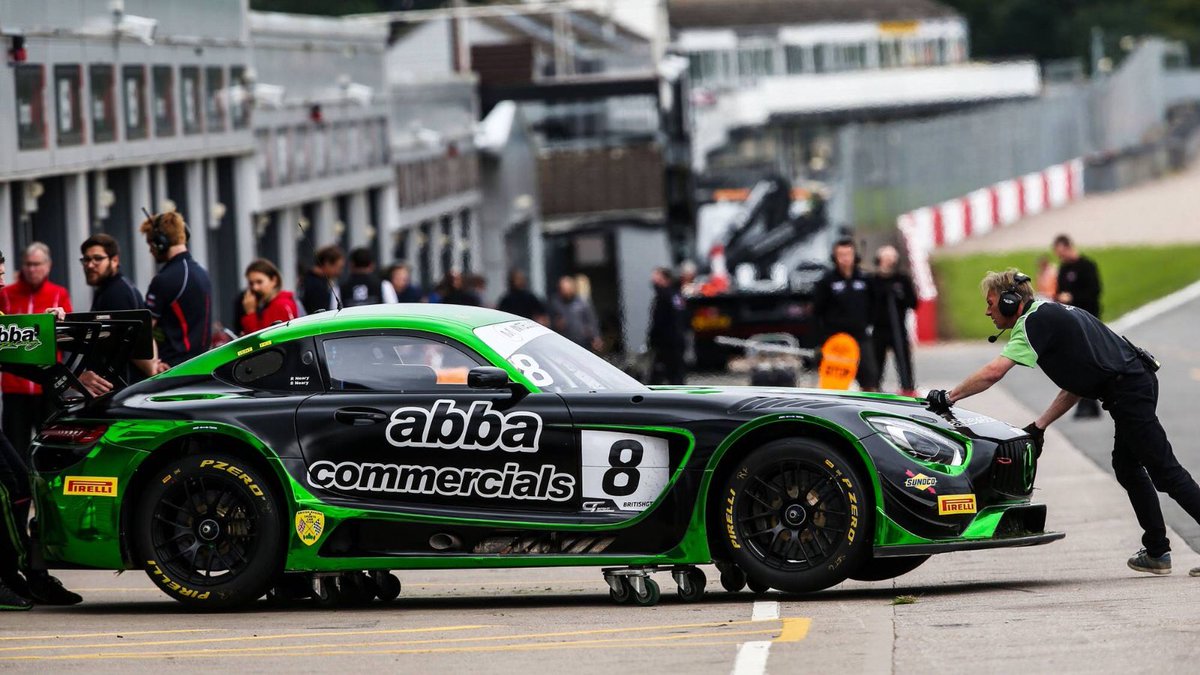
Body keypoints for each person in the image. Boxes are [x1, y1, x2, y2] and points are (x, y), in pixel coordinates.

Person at [926, 269, 1200, 577]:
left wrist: (949, 397)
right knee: (1127, 466)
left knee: (1165, 471)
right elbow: (1078, 382)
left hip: (1129, 389)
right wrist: (1040, 425)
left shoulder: (1033, 323)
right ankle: (1157, 551)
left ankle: (1158, 549)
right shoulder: (1048, 313)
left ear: (1009, 301)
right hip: (1131, 384)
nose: (987, 310)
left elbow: (993, 372)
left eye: (991, 303)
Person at [0, 249, 85, 609]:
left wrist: (49, 326)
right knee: (10, 487)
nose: (2, 282)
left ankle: (27, 575)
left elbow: (17, 344)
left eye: (3, 274)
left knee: (21, 485)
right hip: (15, 405)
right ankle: (14, 573)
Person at [0, 243, 72, 462]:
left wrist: (56, 324)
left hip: (45, 385)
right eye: (28, 265)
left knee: (50, 450)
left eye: (37, 264)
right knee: (15, 453)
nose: (32, 270)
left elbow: (66, 339)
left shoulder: (59, 293)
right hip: (16, 386)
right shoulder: (8, 294)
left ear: (48, 266)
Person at [80, 234, 158, 383]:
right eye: (86, 259)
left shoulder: (116, 293)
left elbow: (135, 341)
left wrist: (152, 368)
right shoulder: (109, 289)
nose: (90, 265)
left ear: (114, 260)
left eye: (97, 258)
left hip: (121, 389)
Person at [141, 211, 212, 369]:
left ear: (160, 242)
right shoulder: (201, 272)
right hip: (199, 365)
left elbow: (142, 332)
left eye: (150, 244)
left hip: (173, 369)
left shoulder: (165, 279)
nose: (150, 250)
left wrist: (152, 367)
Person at [812, 237, 880, 391]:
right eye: (841, 255)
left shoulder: (865, 279)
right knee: (835, 381)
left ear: (854, 255)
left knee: (869, 376)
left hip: (860, 335)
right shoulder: (827, 281)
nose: (845, 259)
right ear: (835, 257)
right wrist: (820, 338)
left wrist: (869, 323)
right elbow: (817, 311)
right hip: (836, 337)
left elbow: (874, 304)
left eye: (848, 254)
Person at [1053, 234, 1103, 418]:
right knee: (1076, 362)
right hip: (1070, 322)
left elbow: (1095, 292)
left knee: (1087, 361)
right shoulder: (1063, 269)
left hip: (1088, 319)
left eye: (1061, 252)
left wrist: (1073, 298)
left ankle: (1089, 402)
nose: (1061, 257)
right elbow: (1058, 291)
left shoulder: (1087, 266)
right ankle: (1086, 401)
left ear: (1068, 247)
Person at [871, 245, 918, 396]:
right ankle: (874, 387)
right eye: (886, 259)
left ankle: (907, 387)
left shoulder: (902, 279)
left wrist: (900, 296)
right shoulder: (873, 281)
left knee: (903, 358)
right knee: (876, 359)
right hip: (879, 327)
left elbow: (913, 302)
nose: (889, 262)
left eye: (892, 259)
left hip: (898, 327)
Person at [648, 267, 687, 385]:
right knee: (672, 374)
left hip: (667, 342)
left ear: (665, 279)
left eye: (656, 278)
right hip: (673, 341)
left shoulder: (665, 296)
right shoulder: (675, 295)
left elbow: (661, 321)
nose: (653, 281)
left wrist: (653, 339)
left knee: (665, 375)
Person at [239, 259, 299, 335]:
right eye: (251, 283)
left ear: (274, 280)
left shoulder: (280, 305)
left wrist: (250, 313)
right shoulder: (267, 305)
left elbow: (261, 340)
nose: (255, 288)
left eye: (259, 282)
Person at [548, 275, 602, 351]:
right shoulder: (555, 302)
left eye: (566, 289)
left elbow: (592, 320)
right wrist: (555, 323)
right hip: (564, 341)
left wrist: (596, 337)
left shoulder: (582, 302)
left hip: (582, 341)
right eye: (562, 289)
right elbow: (549, 320)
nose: (565, 292)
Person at [299, 245, 344, 315]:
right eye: (338, 267)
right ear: (327, 263)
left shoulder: (308, 279)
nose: (339, 272)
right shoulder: (316, 285)